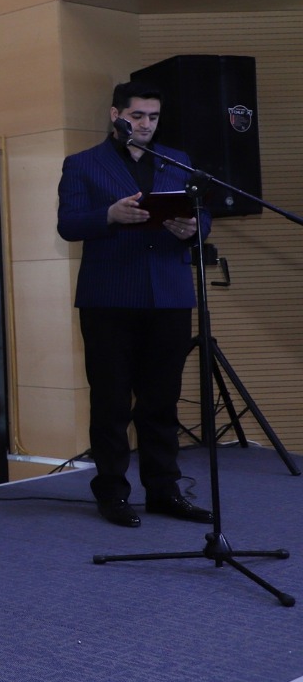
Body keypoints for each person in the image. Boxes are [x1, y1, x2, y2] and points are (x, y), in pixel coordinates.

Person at [57, 80, 213, 528]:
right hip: (109, 298)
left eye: (153, 117)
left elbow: (201, 215)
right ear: (116, 115)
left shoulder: (177, 160)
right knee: (111, 402)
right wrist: (109, 215)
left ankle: (164, 491)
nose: (145, 124)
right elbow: (68, 224)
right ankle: (112, 492)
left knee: (161, 401)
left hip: (169, 296)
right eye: (137, 116)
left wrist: (194, 229)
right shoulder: (83, 163)